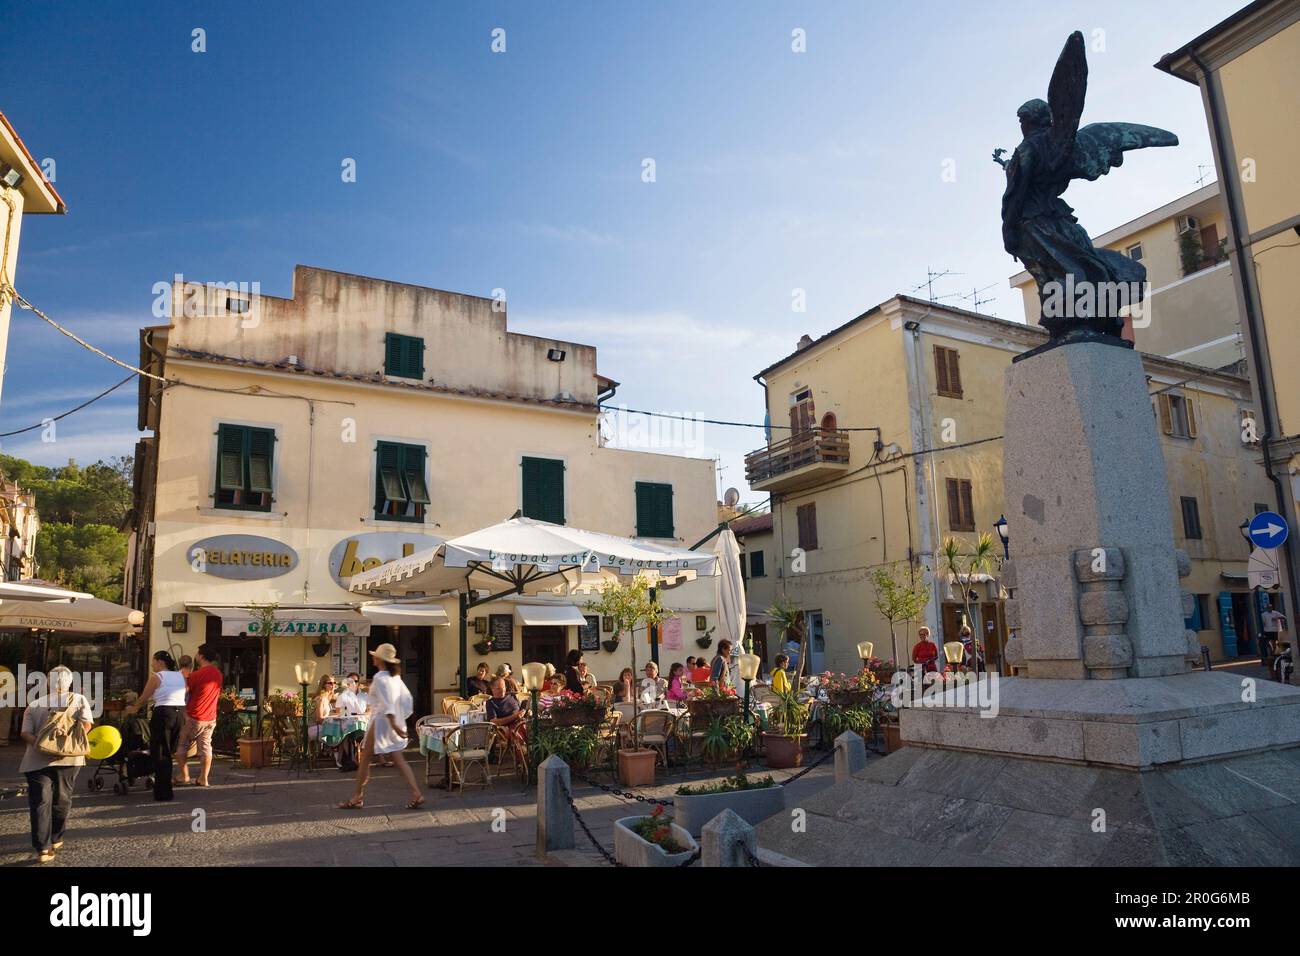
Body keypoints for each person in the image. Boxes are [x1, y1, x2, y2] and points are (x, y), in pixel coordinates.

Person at [20, 665, 93, 863]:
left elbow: (24, 732)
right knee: (63, 798)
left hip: (36, 759)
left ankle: (42, 848)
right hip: (69, 758)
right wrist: (66, 741)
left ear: (48, 683)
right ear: (69, 682)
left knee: (39, 802)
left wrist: (43, 744)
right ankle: (57, 837)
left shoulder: (34, 703)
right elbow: (87, 724)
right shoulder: (79, 699)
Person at [339, 643, 421, 810]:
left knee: (365, 758)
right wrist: (399, 723)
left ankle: (357, 797)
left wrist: (393, 724)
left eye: (375, 655)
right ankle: (416, 793)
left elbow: (387, 704)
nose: (373, 657)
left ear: (380, 659)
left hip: (382, 722)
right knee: (398, 759)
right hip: (392, 721)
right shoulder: (395, 677)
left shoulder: (380, 678)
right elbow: (406, 700)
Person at [123, 650, 187, 801]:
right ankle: (166, 787)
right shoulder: (180, 675)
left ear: (160, 662)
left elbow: (144, 697)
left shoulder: (157, 677)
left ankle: (163, 792)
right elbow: (183, 692)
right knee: (168, 752)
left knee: (159, 752)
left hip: (164, 713)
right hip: (179, 713)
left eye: (153, 661)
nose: (151, 664)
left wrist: (133, 709)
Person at [175, 645, 222, 787]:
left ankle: (184, 776)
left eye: (197, 654)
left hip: (195, 716)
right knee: (206, 748)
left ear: (201, 656)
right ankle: (203, 778)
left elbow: (183, 691)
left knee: (181, 746)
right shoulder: (218, 674)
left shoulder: (197, 675)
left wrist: (182, 678)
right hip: (211, 717)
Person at [308, 674, 335, 741]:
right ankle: (335, 750)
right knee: (338, 730)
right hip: (314, 728)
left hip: (321, 727)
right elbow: (319, 719)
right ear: (323, 685)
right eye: (330, 683)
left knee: (342, 730)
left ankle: (340, 751)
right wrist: (332, 720)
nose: (333, 685)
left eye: (334, 683)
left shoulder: (326, 698)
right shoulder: (320, 699)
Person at [1262, 604, 1289, 668]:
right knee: (1268, 641)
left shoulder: (1276, 613)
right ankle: (1272, 652)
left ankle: (1275, 652)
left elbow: (1284, 617)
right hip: (1267, 630)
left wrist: (1277, 618)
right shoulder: (1264, 614)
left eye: (1271, 607)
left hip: (1275, 629)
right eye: (1268, 607)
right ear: (1266, 608)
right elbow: (1263, 622)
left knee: (1275, 641)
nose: (1270, 608)